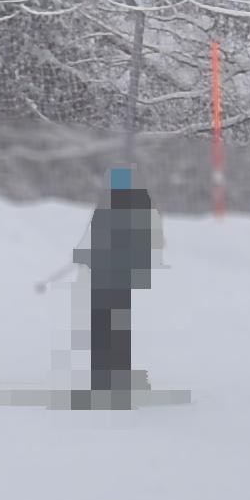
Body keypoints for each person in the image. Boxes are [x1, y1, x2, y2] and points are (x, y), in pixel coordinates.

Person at [84, 170, 161, 396]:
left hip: (104, 277)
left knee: (103, 326)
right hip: (119, 278)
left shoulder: (107, 208)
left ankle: (102, 376)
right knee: (116, 327)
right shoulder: (138, 208)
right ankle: (115, 376)